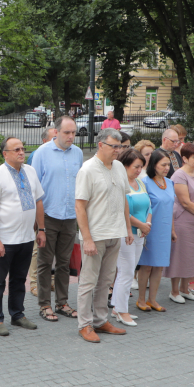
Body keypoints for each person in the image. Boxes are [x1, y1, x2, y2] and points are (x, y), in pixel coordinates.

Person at [0, 137, 45, 336]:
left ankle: (17, 315)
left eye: (22, 148)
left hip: (26, 237)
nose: (21, 152)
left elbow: (38, 201)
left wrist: (41, 229)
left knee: (19, 279)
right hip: (5, 240)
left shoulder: (30, 171)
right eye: (16, 149)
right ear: (5, 154)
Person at [72, 129, 131, 342]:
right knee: (88, 282)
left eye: (120, 146)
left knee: (106, 281)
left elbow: (123, 199)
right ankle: (84, 325)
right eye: (113, 146)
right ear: (100, 145)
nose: (117, 150)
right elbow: (79, 206)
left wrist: (127, 228)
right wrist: (86, 238)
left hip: (115, 232)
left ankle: (100, 320)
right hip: (95, 235)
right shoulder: (87, 169)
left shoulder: (118, 167)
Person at [29, 116, 82, 322]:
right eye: (67, 133)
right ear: (56, 132)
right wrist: (38, 223)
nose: (71, 136)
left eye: (74, 132)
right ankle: (44, 305)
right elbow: (34, 188)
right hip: (48, 216)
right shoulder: (41, 153)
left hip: (70, 216)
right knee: (44, 263)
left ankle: (62, 303)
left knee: (63, 263)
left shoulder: (77, 153)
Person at [165, 142, 194, 303]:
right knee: (181, 255)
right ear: (184, 158)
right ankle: (174, 291)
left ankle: (186, 289)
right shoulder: (179, 176)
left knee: (193, 256)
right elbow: (185, 202)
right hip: (184, 220)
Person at [111, 149, 150, 325]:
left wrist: (147, 223)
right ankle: (121, 311)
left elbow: (149, 206)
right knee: (126, 273)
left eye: (141, 167)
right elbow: (123, 211)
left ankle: (117, 307)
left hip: (140, 234)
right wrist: (141, 225)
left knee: (128, 270)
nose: (138, 170)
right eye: (136, 167)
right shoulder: (121, 184)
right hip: (127, 234)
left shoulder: (140, 182)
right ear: (125, 166)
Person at [136, 149, 175, 313]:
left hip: (165, 230)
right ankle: (141, 299)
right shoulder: (145, 182)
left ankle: (153, 299)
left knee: (159, 266)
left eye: (168, 164)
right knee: (146, 265)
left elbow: (171, 208)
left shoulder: (170, 182)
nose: (166, 168)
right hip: (150, 229)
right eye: (163, 164)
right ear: (154, 165)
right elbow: (145, 207)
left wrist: (172, 230)